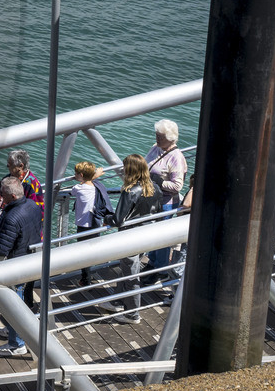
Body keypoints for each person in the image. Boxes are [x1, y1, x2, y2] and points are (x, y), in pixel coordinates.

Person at [0, 177, 40, 357]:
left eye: (2, 193)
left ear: (11, 195)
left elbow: (1, 247)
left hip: (16, 265)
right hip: (31, 258)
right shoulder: (32, 206)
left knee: (14, 304)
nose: (0, 196)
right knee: (20, 302)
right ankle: (13, 330)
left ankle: (16, 343)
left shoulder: (12, 217)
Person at [111, 154, 164, 323]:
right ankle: (118, 301)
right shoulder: (155, 187)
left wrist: (106, 218)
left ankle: (132, 314)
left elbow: (118, 219)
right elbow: (159, 213)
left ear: (130, 170)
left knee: (131, 274)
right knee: (128, 268)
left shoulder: (130, 191)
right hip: (146, 236)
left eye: (125, 167)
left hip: (129, 238)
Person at [68, 161, 110, 286]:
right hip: (95, 223)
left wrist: (91, 176)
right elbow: (89, 181)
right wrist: (93, 177)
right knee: (90, 251)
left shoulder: (78, 188)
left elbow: (72, 192)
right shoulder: (97, 186)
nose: (74, 175)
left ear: (80, 174)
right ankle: (88, 273)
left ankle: (85, 279)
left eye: (76, 173)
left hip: (83, 226)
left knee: (83, 253)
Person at [147, 120, 188, 210]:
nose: (157, 139)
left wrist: (160, 182)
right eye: (156, 135)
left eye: (161, 137)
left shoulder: (176, 158)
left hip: (165, 203)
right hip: (150, 197)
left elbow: (177, 186)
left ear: (170, 139)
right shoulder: (155, 147)